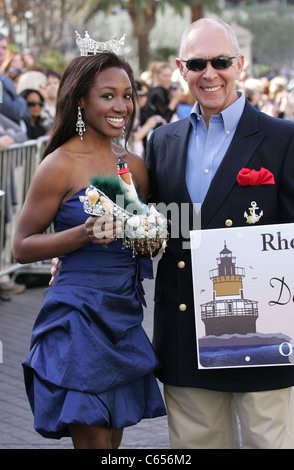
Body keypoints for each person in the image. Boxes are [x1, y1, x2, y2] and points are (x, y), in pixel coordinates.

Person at [145, 18, 294, 449]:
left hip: (266, 331)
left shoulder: (283, 139)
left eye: (221, 61)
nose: (209, 73)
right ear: (181, 68)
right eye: (196, 63)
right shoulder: (162, 142)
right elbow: (151, 224)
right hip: (185, 325)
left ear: (240, 64)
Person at [13, 49, 166, 448]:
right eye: (108, 95)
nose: (122, 106)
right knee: (94, 439)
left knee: (112, 442)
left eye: (128, 95)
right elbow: (22, 246)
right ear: (82, 99)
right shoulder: (59, 164)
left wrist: (149, 239)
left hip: (123, 314)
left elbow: (140, 241)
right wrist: (81, 235)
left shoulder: (134, 165)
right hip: (78, 315)